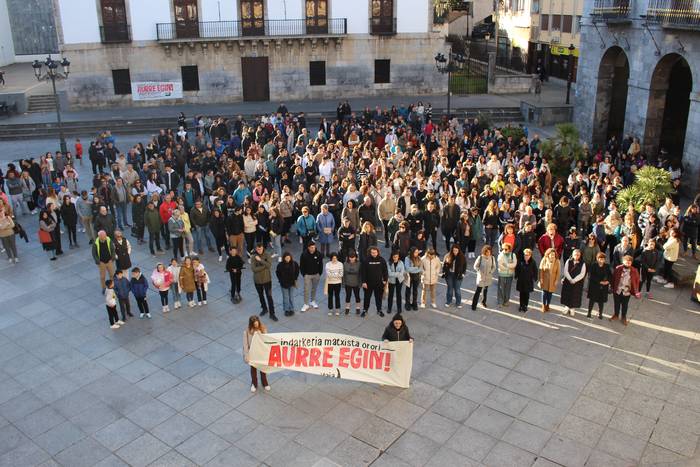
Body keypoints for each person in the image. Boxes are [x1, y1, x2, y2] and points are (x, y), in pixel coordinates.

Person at [610, 254, 641, 326]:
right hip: (618, 290)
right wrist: (612, 287)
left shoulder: (634, 270)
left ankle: (623, 317)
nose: (628, 263)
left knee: (625, 305)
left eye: (629, 262)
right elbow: (613, 278)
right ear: (623, 261)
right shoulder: (618, 268)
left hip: (627, 291)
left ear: (631, 263)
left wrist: (636, 291)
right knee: (616, 304)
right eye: (626, 262)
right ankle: (616, 315)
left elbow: (637, 281)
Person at [243, 315, 271, 392]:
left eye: (257, 323)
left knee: (263, 369)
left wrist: (260, 334)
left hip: (261, 353)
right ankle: (254, 384)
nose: (256, 325)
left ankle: (265, 383)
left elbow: (266, 341)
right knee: (253, 369)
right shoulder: (247, 332)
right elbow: (245, 345)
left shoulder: (263, 329)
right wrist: (246, 355)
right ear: (251, 324)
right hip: (252, 353)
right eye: (254, 324)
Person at [251, 243, 277, 321]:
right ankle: (264, 308)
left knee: (269, 297)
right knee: (260, 295)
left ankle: (272, 314)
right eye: (258, 249)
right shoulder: (253, 257)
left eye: (261, 249)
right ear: (256, 249)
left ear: (263, 248)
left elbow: (269, 266)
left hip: (267, 280)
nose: (259, 250)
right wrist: (264, 266)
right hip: (257, 280)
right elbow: (254, 269)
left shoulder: (267, 255)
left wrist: (260, 260)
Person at [361, 246, 388, 317]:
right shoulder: (366, 260)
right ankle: (365, 310)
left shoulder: (382, 260)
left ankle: (379, 310)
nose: (374, 254)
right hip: (368, 283)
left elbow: (385, 271)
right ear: (370, 253)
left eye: (375, 252)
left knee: (378, 298)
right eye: (372, 253)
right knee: (367, 297)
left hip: (379, 283)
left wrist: (385, 280)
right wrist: (363, 282)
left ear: (378, 252)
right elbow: (363, 272)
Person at [560, 248, 587, 316]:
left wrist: (574, 280)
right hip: (568, 281)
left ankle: (572, 308)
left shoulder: (583, 263)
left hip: (577, 283)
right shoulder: (568, 261)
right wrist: (570, 279)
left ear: (580, 255)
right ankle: (567, 307)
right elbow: (565, 271)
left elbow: (582, 274)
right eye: (575, 255)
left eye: (578, 255)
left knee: (575, 295)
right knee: (567, 294)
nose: (576, 256)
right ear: (572, 255)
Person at [587, 252, 612, 319]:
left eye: (603, 259)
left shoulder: (607, 266)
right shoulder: (593, 265)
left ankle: (600, 313)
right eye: (600, 259)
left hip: (603, 287)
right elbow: (591, 276)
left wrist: (608, 281)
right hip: (594, 286)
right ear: (597, 259)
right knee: (592, 300)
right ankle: (589, 312)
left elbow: (610, 275)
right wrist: (600, 282)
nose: (601, 261)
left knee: (601, 301)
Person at [300, 241, 323, 312]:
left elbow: (321, 265)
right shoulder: (304, 254)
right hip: (307, 275)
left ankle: (312, 301)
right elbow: (301, 265)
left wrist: (319, 273)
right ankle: (306, 304)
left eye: (314, 247)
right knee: (306, 289)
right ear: (308, 248)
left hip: (316, 274)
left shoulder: (318, 254)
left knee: (314, 288)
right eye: (312, 247)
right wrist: (304, 274)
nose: (313, 248)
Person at [471, 245, 496, 310]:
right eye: (487, 252)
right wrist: (479, 271)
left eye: (489, 252)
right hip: (481, 277)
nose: (488, 253)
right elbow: (475, 266)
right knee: (478, 291)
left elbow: (494, 267)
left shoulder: (492, 258)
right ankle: (474, 305)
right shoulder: (480, 257)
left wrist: (491, 271)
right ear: (484, 252)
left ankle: (483, 302)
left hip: (488, 277)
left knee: (485, 290)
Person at [276, 251, 299, 316]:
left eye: (289, 258)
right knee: (285, 297)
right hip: (284, 284)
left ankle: (291, 309)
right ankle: (286, 310)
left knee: (291, 297)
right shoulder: (280, 265)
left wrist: (295, 278)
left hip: (291, 283)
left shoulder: (294, 264)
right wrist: (280, 280)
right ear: (284, 258)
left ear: (291, 257)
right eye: (286, 258)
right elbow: (277, 273)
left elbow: (297, 271)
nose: (288, 259)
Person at [538, 247, 560, 312]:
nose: (552, 255)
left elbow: (558, 272)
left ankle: (548, 305)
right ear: (548, 254)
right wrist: (541, 279)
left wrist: (556, 280)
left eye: (553, 254)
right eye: (551, 254)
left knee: (550, 294)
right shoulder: (544, 259)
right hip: (545, 279)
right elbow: (541, 270)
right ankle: (543, 305)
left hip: (552, 280)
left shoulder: (557, 261)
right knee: (544, 293)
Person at [497, 242, 517, 307]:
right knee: (501, 288)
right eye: (503, 249)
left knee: (508, 288)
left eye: (506, 249)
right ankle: (500, 301)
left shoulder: (513, 255)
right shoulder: (500, 255)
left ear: (509, 249)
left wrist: (506, 265)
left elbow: (514, 264)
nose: (504, 250)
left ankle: (506, 301)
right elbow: (500, 265)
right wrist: (509, 267)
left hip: (510, 274)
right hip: (502, 274)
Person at [343, 250, 362, 315]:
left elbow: (360, 275)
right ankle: (347, 308)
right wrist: (343, 283)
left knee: (357, 296)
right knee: (348, 296)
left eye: (353, 257)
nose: (352, 259)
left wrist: (360, 283)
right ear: (348, 257)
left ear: (356, 257)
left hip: (356, 284)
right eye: (350, 257)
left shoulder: (359, 264)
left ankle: (358, 308)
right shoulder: (345, 263)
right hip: (348, 283)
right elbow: (343, 274)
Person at [387, 250, 405, 314]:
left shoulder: (401, 263)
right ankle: (389, 308)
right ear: (392, 257)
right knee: (390, 295)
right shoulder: (389, 263)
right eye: (394, 257)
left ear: (398, 257)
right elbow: (389, 273)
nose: (395, 258)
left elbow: (402, 273)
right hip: (391, 281)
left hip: (399, 280)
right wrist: (398, 273)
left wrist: (395, 273)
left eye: (397, 257)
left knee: (398, 295)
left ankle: (399, 308)